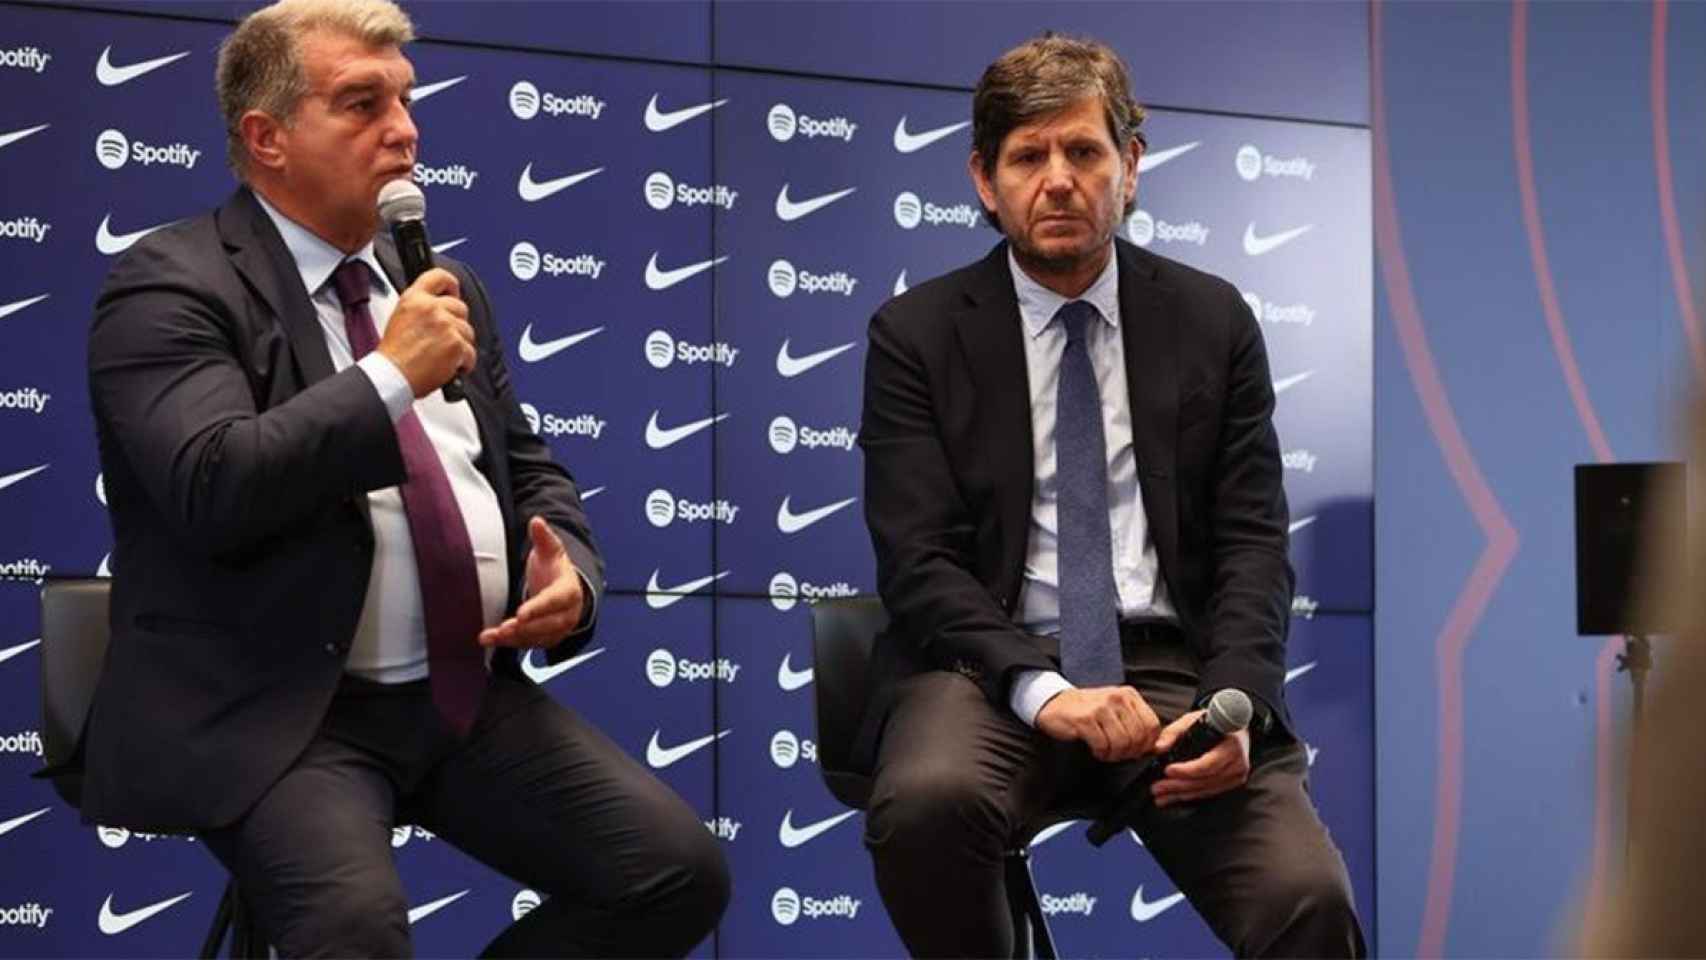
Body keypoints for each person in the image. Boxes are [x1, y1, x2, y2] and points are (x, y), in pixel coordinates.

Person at [80, 1, 727, 955]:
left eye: (406, 99)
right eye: (361, 102)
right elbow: (212, 483)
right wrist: (389, 376)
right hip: (282, 709)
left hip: (461, 696)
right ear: (267, 138)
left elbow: (525, 463)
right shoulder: (170, 284)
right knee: (353, 929)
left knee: (676, 874)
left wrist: (571, 575)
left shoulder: (437, 285)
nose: (406, 129)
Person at [856, 33, 1364, 958]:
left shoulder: (1213, 320)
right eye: (1028, 157)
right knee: (927, 806)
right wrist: (1044, 690)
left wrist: (1238, 704)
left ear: (1130, 164)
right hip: (990, 671)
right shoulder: (916, 335)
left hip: (1173, 676)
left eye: (1083, 151)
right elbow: (918, 561)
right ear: (985, 178)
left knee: (1308, 901)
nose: (1058, 179)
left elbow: (1254, 542)